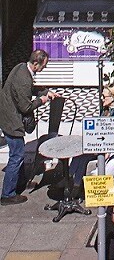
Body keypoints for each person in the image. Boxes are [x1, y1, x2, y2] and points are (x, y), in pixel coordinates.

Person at [0, 49, 58, 201]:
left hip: (6, 116)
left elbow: (28, 90)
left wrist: (45, 92)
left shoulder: (20, 67)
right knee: (17, 156)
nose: (43, 69)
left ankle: (16, 184)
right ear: (36, 63)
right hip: (12, 121)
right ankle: (8, 194)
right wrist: (42, 100)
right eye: (43, 66)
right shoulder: (24, 79)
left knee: (17, 154)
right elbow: (25, 107)